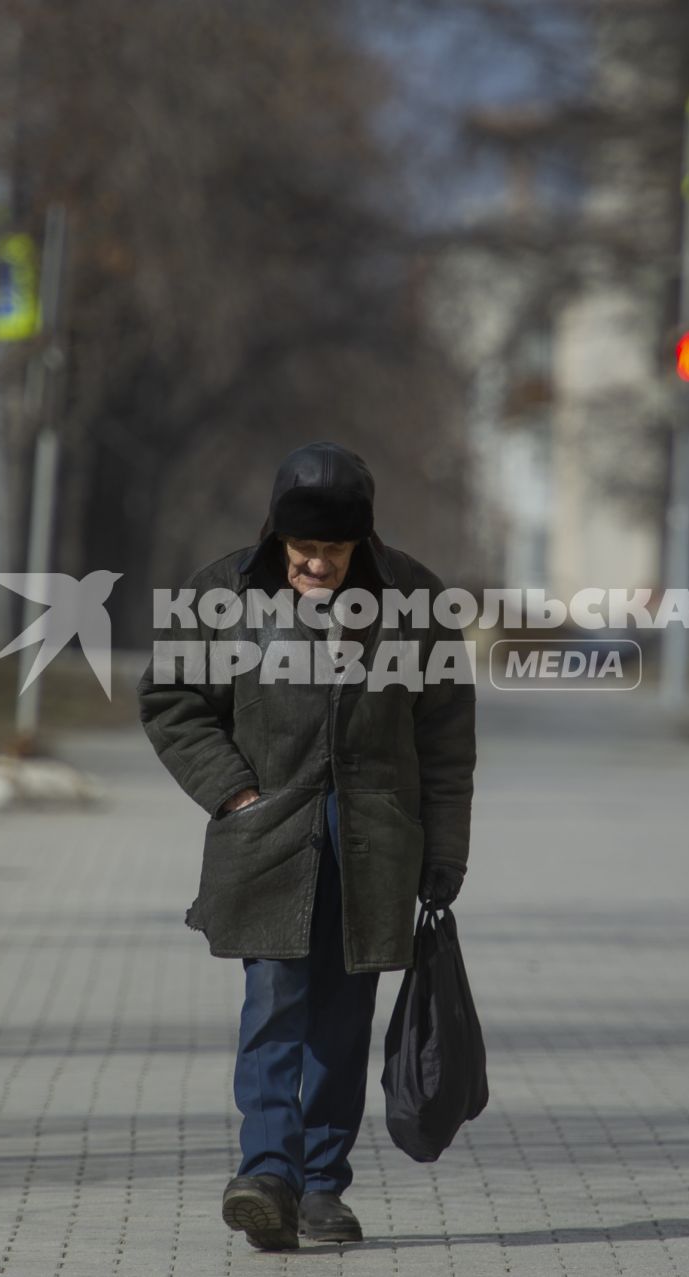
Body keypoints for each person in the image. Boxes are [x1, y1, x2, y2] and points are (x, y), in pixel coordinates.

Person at [138, 441, 476, 1250]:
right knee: (274, 1006)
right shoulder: (222, 595)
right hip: (268, 833)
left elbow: (446, 738)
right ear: (277, 535)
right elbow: (173, 700)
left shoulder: (414, 599)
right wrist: (234, 792)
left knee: (342, 1018)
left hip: (375, 841)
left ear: (362, 539)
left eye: (331, 549)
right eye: (302, 549)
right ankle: (267, 1173)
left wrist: (445, 849)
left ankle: (322, 1186)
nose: (316, 564)